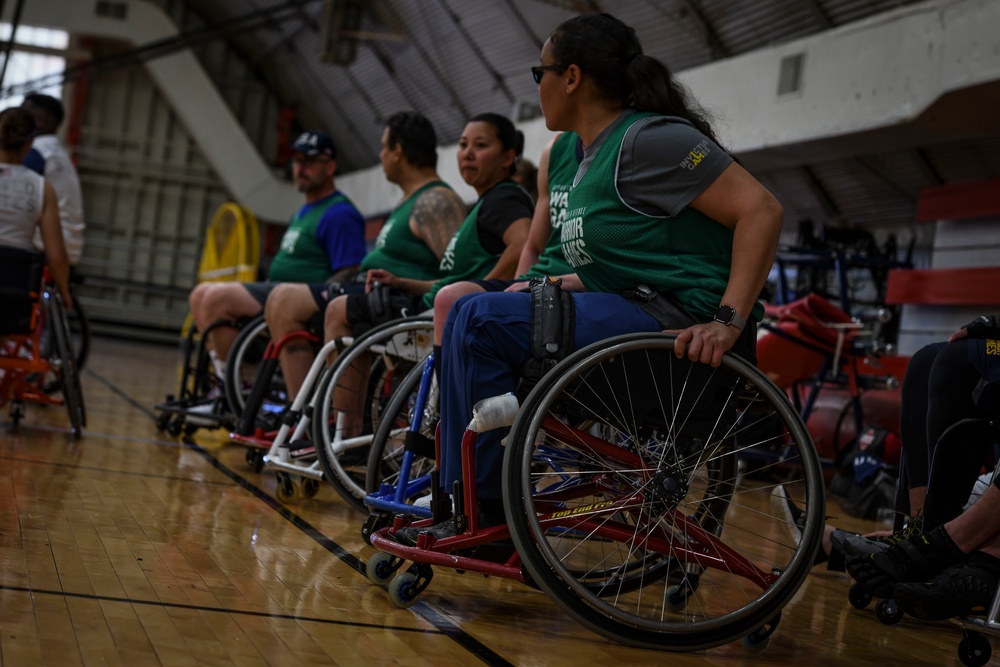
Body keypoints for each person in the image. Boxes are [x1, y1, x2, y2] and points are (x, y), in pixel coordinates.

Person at [395, 12, 783, 544]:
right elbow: (643, 250)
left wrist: (727, 322)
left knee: (480, 319)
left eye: (541, 74)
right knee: (466, 310)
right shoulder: (586, 155)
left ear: (572, 77)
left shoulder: (649, 139)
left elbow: (761, 210)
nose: (539, 87)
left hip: (681, 332)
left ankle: (487, 505)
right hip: (642, 310)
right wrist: (579, 282)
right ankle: (461, 489)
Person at [319, 112, 533, 436]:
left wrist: (487, 290)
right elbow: (458, 277)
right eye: (462, 145)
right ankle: (348, 429)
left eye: (480, 145)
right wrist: (405, 282)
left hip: (443, 317)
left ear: (507, 157)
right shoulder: (482, 205)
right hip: (434, 306)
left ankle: (346, 431)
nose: (468, 153)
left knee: (342, 310)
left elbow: (522, 244)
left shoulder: (503, 197)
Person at [264, 112, 466, 400]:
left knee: (285, 301)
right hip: (375, 296)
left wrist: (404, 283)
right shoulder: (410, 200)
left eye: (384, 147)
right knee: (279, 299)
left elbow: (459, 276)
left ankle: (336, 425)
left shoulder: (435, 202)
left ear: (398, 151)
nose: (380, 155)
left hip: (401, 306)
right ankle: (307, 410)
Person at [188, 130, 366, 391]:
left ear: (330, 167)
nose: (300, 168)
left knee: (216, 298)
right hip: (276, 292)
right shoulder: (304, 212)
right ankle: (225, 385)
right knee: (200, 295)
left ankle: (232, 389)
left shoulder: (339, 213)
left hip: (298, 300)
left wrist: (313, 302)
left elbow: (349, 271)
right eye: (296, 161)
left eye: (309, 161)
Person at [0, 107, 73, 312]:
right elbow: (56, 257)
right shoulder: (42, 189)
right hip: (13, 292)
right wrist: (64, 291)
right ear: (29, 144)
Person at [21, 92, 85, 268]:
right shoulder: (58, 154)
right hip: (64, 247)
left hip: (46, 249)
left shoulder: (38, 153)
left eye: (23, 113)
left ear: (39, 120)